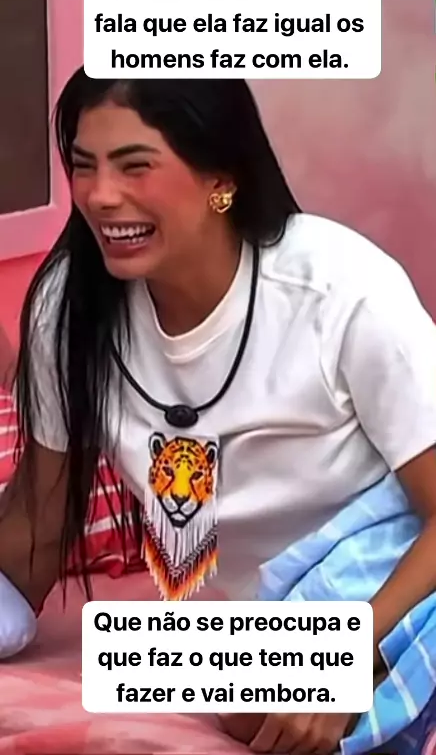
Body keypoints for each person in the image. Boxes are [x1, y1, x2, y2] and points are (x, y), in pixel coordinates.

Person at [1, 70, 436, 754]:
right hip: (265, 627)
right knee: (254, 706)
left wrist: (348, 658)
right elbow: (40, 520)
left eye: (135, 166)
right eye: (84, 166)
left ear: (220, 178)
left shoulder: (339, 289)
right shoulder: (71, 307)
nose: (100, 195)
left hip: (400, 571)